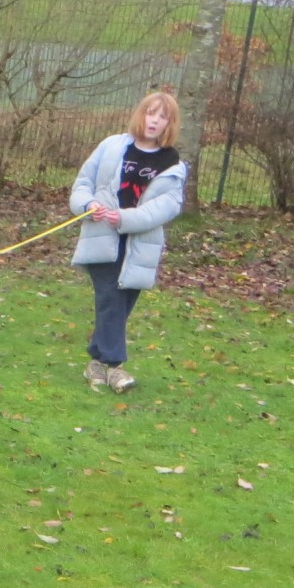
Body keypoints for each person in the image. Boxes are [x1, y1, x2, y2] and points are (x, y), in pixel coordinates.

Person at [69, 91, 188, 394]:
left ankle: (95, 363)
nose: (154, 120)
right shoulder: (112, 146)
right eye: (150, 112)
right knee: (110, 298)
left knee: (121, 305)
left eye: (162, 116)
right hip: (102, 238)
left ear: (170, 124)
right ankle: (115, 367)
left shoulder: (173, 165)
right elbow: (82, 184)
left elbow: (166, 207)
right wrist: (88, 204)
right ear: (141, 114)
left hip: (140, 246)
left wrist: (124, 218)